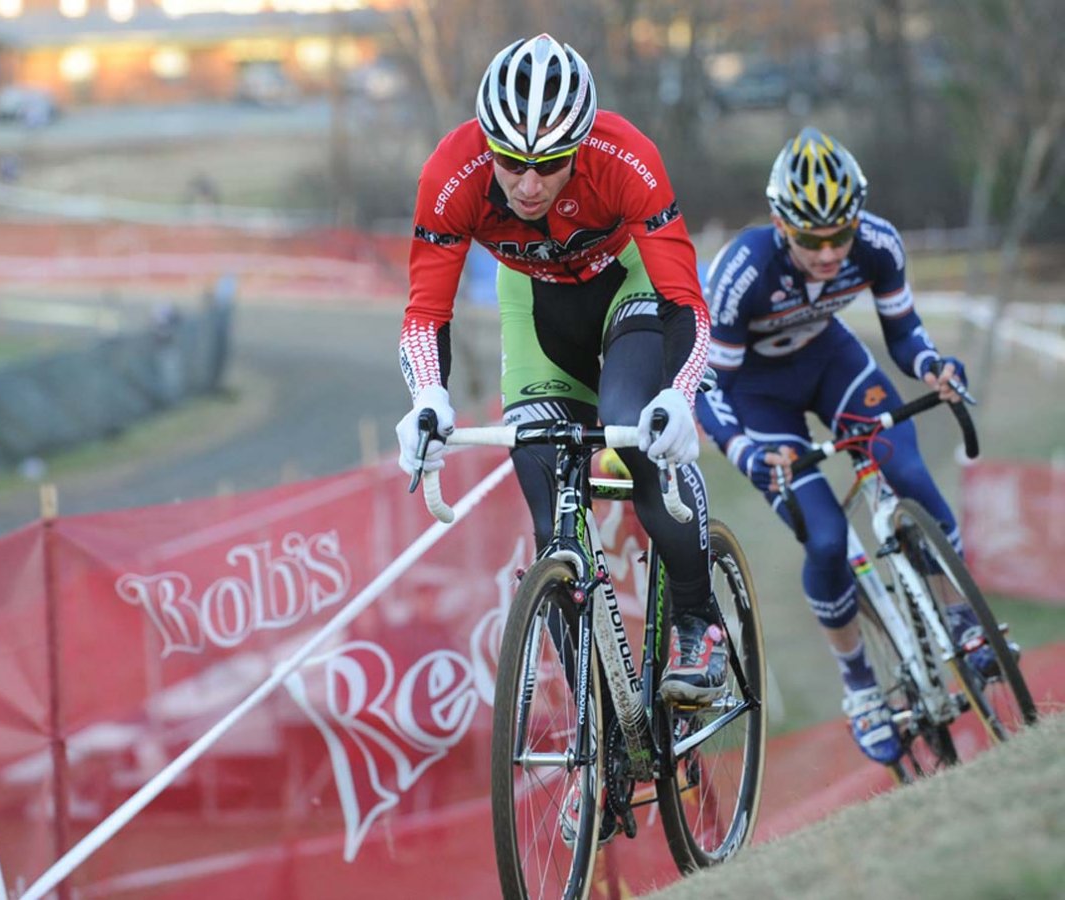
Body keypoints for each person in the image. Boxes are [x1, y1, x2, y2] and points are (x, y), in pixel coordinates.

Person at [394, 34, 723, 710]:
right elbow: (426, 312)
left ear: (579, 145)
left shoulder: (625, 157)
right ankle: (597, 730)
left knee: (633, 431)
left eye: (550, 165)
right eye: (512, 163)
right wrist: (427, 397)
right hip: (534, 303)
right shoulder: (450, 175)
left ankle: (697, 623)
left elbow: (685, 301)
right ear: (488, 146)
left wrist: (681, 396)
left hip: (628, 289)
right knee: (553, 522)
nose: (529, 183)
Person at [694, 127, 993, 765]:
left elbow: (904, 330)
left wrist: (934, 364)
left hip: (834, 365)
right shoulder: (741, 273)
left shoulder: (878, 243)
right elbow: (703, 386)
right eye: (812, 240)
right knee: (826, 539)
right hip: (757, 400)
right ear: (781, 224)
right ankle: (859, 680)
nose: (830, 253)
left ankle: (964, 621)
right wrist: (745, 450)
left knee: (908, 472)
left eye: (841, 235)